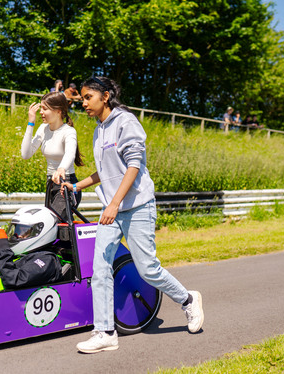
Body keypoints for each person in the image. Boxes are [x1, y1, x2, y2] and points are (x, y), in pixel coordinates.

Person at [61, 76, 204, 354]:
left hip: (136, 206)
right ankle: (105, 332)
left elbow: (134, 166)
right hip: (112, 210)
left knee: (147, 268)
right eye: (81, 97)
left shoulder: (126, 122)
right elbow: (105, 171)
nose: (83, 102)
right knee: (100, 269)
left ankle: (188, 300)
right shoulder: (98, 130)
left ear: (104, 96)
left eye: (88, 97)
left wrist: (114, 203)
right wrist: (77, 185)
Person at [21, 91, 84, 219]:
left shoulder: (69, 131)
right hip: (50, 183)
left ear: (58, 111)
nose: (40, 112)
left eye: (45, 109)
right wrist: (30, 123)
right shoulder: (43, 129)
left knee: (55, 221)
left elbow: (70, 153)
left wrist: (61, 169)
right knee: (52, 226)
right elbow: (25, 154)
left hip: (67, 183)